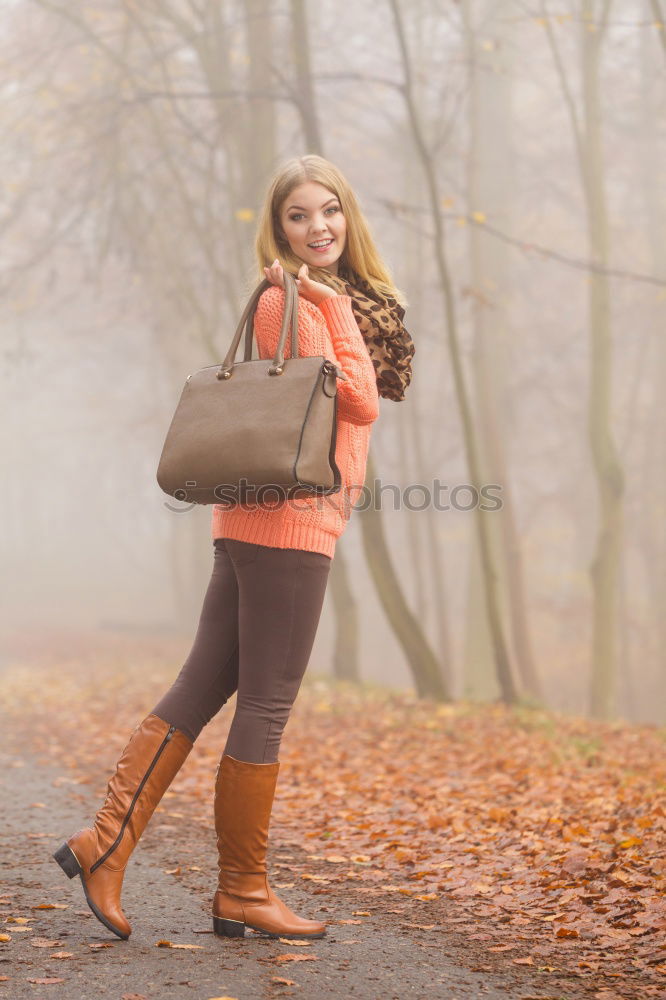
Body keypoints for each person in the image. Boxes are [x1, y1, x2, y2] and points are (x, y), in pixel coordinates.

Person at [53, 154, 415, 943]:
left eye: (330, 210)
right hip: (288, 524)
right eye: (298, 215)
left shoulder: (326, 298)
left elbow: (364, 389)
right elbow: (358, 402)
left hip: (254, 524)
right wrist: (331, 306)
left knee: (201, 688)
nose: (317, 227)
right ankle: (243, 889)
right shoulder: (292, 300)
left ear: (348, 216)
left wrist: (340, 306)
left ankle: (104, 843)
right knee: (266, 705)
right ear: (277, 225)